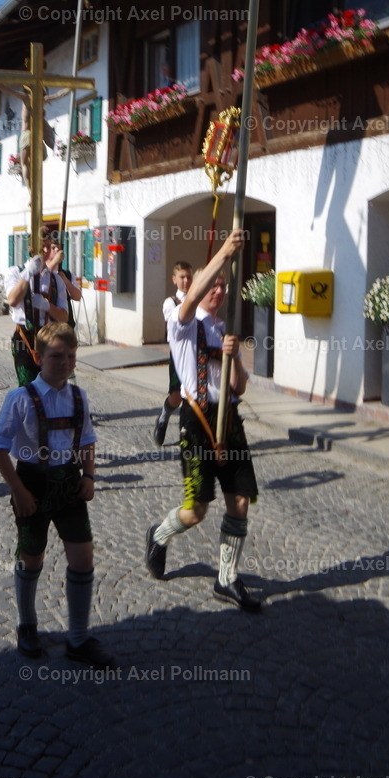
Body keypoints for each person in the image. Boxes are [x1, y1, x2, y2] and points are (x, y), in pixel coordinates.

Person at [144, 228, 263, 613]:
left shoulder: (222, 327)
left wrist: (236, 359)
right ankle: (160, 535)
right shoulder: (182, 322)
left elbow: (239, 389)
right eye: (213, 285)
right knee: (196, 510)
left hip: (228, 418)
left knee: (240, 501)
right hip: (196, 421)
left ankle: (226, 578)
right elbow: (192, 294)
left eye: (224, 287)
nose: (219, 291)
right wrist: (226, 252)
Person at [0, 322, 115, 669]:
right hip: (32, 481)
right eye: (57, 356)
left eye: (71, 356)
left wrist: (89, 475)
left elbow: (87, 438)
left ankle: (77, 638)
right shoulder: (20, 398)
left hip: (69, 481)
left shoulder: (79, 396)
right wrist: (18, 490)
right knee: (32, 556)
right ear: (39, 357)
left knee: (83, 558)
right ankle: (26, 625)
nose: (65, 363)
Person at [4, 228, 69, 386]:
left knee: (51, 386)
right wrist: (28, 274)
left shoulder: (55, 280)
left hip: (49, 336)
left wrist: (46, 305)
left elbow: (64, 318)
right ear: (31, 248)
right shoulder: (15, 272)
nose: (45, 251)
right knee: (27, 387)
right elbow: (13, 300)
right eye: (42, 247)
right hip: (24, 335)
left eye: (48, 246)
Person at [153, 261, 193, 446]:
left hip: (194, 354)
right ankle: (163, 417)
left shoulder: (197, 299)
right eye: (182, 277)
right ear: (174, 279)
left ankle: (186, 431)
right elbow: (175, 321)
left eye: (189, 277)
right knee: (176, 396)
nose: (186, 281)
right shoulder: (170, 302)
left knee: (192, 395)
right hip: (178, 355)